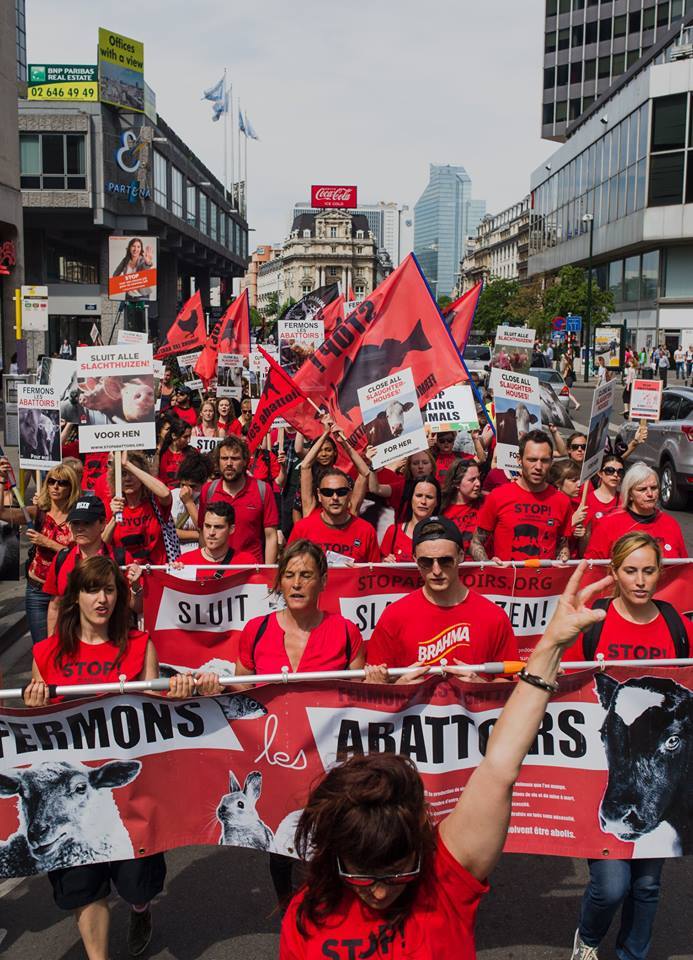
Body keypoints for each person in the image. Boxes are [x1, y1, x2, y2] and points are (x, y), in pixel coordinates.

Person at [281, 561, 613, 958]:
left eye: (398, 870)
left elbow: (500, 766)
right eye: (363, 874)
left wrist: (549, 649)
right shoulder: (307, 914)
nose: (382, 890)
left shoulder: (445, 878)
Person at [24, 555, 218, 960]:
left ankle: (141, 908)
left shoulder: (138, 645)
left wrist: (176, 692)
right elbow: (34, 728)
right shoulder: (46, 653)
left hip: (129, 788)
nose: (102, 599)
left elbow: (154, 712)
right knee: (84, 885)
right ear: (76, 597)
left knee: (136, 884)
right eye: (92, 589)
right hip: (71, 800)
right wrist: (34, 699)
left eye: (109, 590)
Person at [564, 533, 690, 960]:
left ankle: (632, 955)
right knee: (611, 884)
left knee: (648, 884)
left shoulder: (679, 627)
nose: (640, 581)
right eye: (630, 571)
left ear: (661, 573)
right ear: (613, 573)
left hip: (656, 778)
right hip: (602, 775)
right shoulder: (592, 622)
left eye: (649, 571)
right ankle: (589, 939)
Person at [229, 540, 375, 910]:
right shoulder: (256, 630)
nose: (296, 584)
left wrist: (376, 680)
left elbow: (359, 701)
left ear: (322, 581)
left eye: (306, 575)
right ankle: (293, 916)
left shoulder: (345, 632)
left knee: (326, 847)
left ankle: (324, 918)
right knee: (283, 849)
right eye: (289, 575)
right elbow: (242, 691)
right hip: (275, 762)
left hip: (327, 764)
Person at [368, 515, 518, 670]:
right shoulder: (393, 616)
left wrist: (479, 686)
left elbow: (510, 683)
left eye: (445, 561)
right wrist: (401, 687)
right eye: (426, 562)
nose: (436, 570)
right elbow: (374, 685)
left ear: (460, 556)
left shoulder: (494, 617)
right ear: (415, 560)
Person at [0, 461, 80, 644]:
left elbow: (80, 555)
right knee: (41, 647)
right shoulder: (37, 513)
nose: (55, 486)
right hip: (37, 589)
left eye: (62, 483)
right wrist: (2, 479)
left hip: (66, 592)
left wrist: (48, 543)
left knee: (65, 645)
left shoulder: (79, 518)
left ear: (71, 487)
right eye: (51, 481)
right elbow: (2, 512)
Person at [43, 494, 139, 635]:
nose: (80, 528)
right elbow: (55, 606)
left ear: (102, 524)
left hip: (112, 641)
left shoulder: (121, 558)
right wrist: (51, 642)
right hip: (71, 643)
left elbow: (136, 607)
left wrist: (136, 587)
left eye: (87, 523)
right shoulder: (61, 558)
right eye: (75, 523)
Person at [471, 430, 573, 563]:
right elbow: (476, 542)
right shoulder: (498, 496)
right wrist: (488, 564)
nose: (538, 466)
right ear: (519, 460)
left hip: (544, 581)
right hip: (506, 580)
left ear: (551, 462)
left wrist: (563, 560)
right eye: (532, 460)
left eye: (544, 460)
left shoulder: (562, 501)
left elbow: (562, 545)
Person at [197, 435, 278, 563]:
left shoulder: (263, 490)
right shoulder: (208, 490)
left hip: (250, 571)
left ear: (245, 461)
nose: (229, 463)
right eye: (224, 458)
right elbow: (203, 532)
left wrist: (267, 574)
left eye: (234, 458)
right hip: (217, 572)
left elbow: (271, 536)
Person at [584, 461, 687, 560]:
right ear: (630, 494)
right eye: (642, 489)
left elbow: (684, 568)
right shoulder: (607, 524)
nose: (650, 493)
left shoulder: (670, 524)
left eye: (654, 488)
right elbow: (593, 569)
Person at [289, 468, 379, 563]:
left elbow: (375, 573)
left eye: (341, 492)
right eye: (327, 492)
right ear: (319, 495)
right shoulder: (302, 528)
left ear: (350, 494)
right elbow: (288, 567)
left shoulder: (366, 531)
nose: (335, 498)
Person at [104, 450, 174, 566]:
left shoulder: (155, 501)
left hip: (154, 573)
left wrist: (128, 465)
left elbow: (165, 494)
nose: (127, 479)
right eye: (123, 474)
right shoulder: (111, 505)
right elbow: (102, 544)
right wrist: (114, 518)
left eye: (133, 474)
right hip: (124, 574)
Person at [179, 501, 255, 578]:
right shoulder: (184, 562)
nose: (211, 532)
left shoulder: (247, 563)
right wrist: (174, 573)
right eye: (207, 526)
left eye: (218, 527)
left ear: (231, 529)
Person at [380, 477, 441, 562]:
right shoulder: (393, 531)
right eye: (419, 495)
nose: (423, 501)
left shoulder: (444, 534)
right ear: (411, 498)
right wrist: (385, 562)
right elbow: (379, 565)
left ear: (436, 502)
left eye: (429, 497)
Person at [441, 460, 484, 561]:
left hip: (481, 570)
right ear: (456, 483)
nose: (478, 483)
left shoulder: (487, 502)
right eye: (472, 479)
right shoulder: (440, 508)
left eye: (478, 478)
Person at [170, 451, 209, 553]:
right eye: (183, 485)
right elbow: (171, 532)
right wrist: (198, 535)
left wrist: (188, 502)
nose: (186, 490)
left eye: (192, 486)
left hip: (199, 555)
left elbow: (206, 531)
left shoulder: (209, 499)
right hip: (176, 556)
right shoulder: (173, 496)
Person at [584, 455, 624, 529]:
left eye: (620, 472)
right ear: (600, 473)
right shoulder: (586, 500)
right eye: (610, 471)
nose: (615, 475)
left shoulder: (625, 500)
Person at [157, 419, 192, 489]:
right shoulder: (161, 453)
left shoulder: (192, 453)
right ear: (174, 436)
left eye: (189, 436)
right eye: (185, 437)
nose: (189, 440)